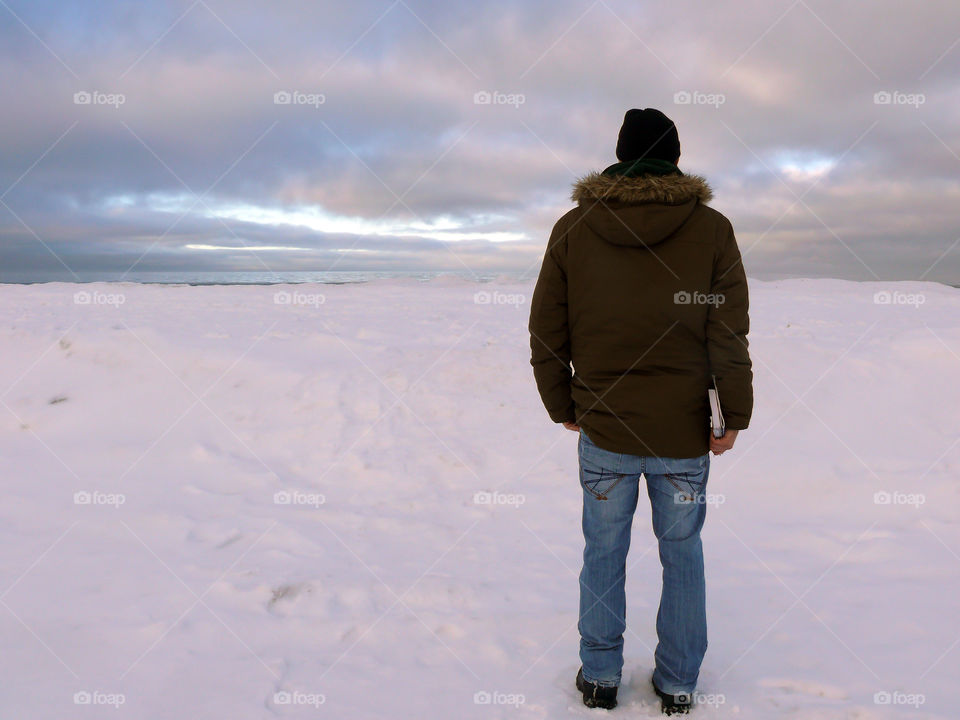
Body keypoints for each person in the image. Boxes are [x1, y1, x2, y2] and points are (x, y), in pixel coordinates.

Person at [528, 108, 753, 714]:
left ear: (620, 158)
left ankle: (600, 676)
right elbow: (726, 331)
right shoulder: (712, 229)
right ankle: (678, 682)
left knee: (603, 551)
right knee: (683, 554)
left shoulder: (574, 228)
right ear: (674, 160)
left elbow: (546, 329)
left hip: (604, 427)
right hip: (681, 433)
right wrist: (733, 413)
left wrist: (563, 405)